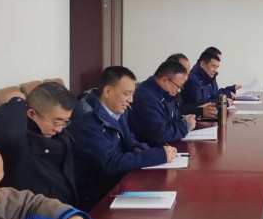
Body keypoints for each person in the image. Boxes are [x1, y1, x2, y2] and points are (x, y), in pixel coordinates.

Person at [70, 66, 175, 209]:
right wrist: (156, 155)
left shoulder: (117, 108)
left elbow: (129, 139)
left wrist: (141, 150)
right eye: (127, 94)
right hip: (96, 197)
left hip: (118, 181)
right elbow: (110, 162)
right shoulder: (86, 120)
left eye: (132, 94)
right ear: (108, 91)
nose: (130, 100)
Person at [0, 82, 78, 206]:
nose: (59, 129)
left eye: (64, 122)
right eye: (56, 122)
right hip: (38, 211)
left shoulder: (57, 135)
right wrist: (17, 100)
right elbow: (6, 134)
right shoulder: (18, 140)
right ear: (31, 114)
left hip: (68, 206)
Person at [129, 60, 196, 145]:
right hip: (149, 148)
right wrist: (185, 126)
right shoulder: (146, 98)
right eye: (179, 86)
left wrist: (184, 119)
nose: (179, 90)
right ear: (164, 80)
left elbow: (174, 115)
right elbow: (159, 134)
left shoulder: (165, 93)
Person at [167, 53, 217, 119]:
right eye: (184, 72)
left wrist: (199, 109)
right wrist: (198, 110)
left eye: (188, 72)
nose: (187, 77)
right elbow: (175, 110)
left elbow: (182, 107)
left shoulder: (182, 84)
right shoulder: (191, 82)